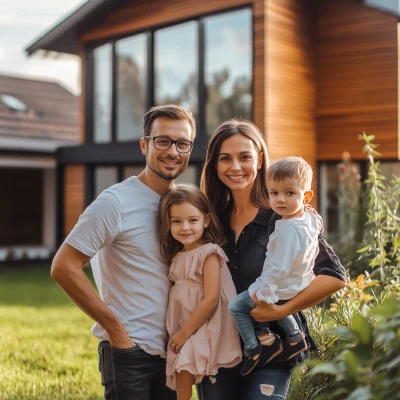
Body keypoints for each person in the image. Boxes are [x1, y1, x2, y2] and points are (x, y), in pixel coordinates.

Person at [50, 104, 197, 400]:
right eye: (163, 141)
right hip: (131, 351)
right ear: (145, 145)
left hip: (171, 352)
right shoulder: (115, 202)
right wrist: (116, 331)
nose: (173, 151)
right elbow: (63, 266)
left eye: (182, 143)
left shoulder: (183, 206)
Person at [199, 119, 346, 400]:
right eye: (225, 158)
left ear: (259, 159)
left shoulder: (286, 214)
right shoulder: (208, 220)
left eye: (245, 157)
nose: (235, 167)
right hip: (217, 346)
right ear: (214, 165)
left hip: (275, 348)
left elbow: (334, 276)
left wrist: (281, 310)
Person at [228, 157, 323, 376]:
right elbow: (316, 222)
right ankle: (295, 336)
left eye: (290, 193)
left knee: (237, 306)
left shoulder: (287, 229)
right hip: (299, 282)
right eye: (274, 193)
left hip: (281, 283)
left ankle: (256, 346)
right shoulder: (308, 218)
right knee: (277, 299)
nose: (280, 200)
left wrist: (265, 293)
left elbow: (278, 268)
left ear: (305, 196)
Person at [159, 184, 242, 400]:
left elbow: (212, 298)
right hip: (183, 324)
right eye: (176, 221)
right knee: (182, 367)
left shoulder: (209, 253)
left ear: (206, 220)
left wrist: (185, 331)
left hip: (202, 324)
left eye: (192, 220)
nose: (184, 227)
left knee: (185, 366)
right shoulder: (176, 256)